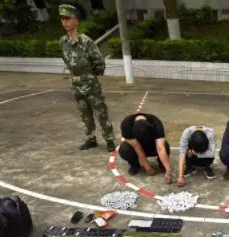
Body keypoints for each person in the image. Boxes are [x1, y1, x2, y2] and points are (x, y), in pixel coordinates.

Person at [58, 4, 116, 152]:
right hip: (76, 83)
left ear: (76, 21)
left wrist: (89, 75)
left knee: (100, 112)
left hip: (90, 83)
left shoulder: (86, 41)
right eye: (62, 19)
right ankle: (90, 138)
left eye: (67, 18)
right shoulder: (63, 42)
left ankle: (109, 139)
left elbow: (99, 62)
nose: (64, 22)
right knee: (84, 113)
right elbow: (66, 60)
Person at [119, 112, 172, 184]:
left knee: (165, 145)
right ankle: (135, 165)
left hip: (152, 145)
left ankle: (161, 163)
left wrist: (168, 170)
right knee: (124, 149)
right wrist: (147, 167)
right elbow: (137, 148)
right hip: (137, 147)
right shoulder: (126, 125)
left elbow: (160, 148)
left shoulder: (156, 123)